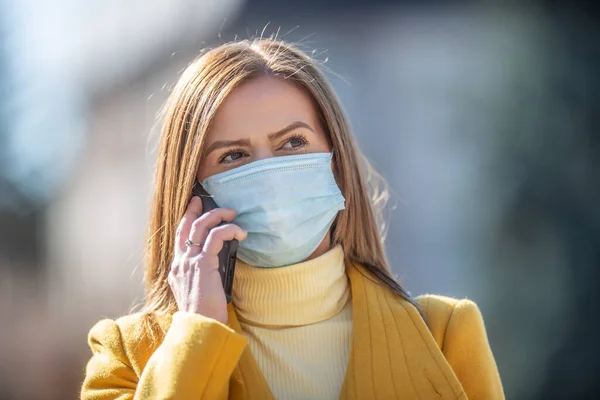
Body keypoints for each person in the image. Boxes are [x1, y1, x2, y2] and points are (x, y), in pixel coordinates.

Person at [81, 38, 504, 400]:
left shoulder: (446, 334)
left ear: (336, 162)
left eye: (292, 142)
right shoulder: (125, 356)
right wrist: (198, 332)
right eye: (234, 156)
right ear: (193, 194)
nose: (269, 173)